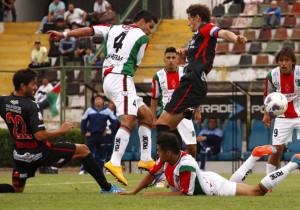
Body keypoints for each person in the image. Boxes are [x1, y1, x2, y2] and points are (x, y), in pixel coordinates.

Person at [47, 10, 158, 186]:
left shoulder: (112, 28)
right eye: (150, 26)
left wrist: (64, 34)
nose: (150, 31)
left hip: (108, 79)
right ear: (142, 21)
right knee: (128, 120)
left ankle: (146, 158)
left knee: (147, 116)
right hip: (121, 77)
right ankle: (114, 162)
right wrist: (123, 89)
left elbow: (89, 30)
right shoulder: (143, 38)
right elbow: (134, 66)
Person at [0, 68, 125, 193]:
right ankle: (107, 188)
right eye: (33, 84)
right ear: (23, 85)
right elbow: (40, 135)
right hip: (41, 153)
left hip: (20, 156)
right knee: (84, 150)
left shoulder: (4, 101)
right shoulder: (31, 105)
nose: (35, 87)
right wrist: (61, 130)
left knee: (16, 190)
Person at [155, 4, 247, 143]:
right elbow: (197, 59)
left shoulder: (206, 28)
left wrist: (235, 39)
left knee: (162, 126)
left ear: (197, 18)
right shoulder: (197, 37)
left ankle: (172, 161)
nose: (188, 23)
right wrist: (186, 54)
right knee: (168, 128)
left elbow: (223, 33)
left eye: (189, 19)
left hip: (192, 81)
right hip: (195, 82)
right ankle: (180, 160)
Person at [119, 132, 300, 196]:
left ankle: (293, 163)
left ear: (167, 152)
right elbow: (151, 173)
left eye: (158, 150)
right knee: (235, 183)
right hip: (207, 178)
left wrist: (153, 195)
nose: (156, 154)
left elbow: (185, 195)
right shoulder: (165, 159)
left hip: (215, 188)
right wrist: (134, 192)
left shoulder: (186, 164)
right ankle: (253, 156)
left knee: (258, 192)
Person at [150, 47, 198, 158]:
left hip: (184, 113)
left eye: (173, 57)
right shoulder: (158, 76)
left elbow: (194, 91)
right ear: (164, 59)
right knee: (165, 149)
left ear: (177, 60)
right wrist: (153, 118)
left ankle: (189, 171)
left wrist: (198, 111)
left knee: (192, 148)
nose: (171, 60)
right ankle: (164, 173)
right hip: (166, 115)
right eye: (168, 58)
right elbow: (154, 98)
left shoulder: (185, 72)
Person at [263, 47, 300, 182]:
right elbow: (268, 96)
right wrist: (266, 114)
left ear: (292, 62)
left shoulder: (299, 73)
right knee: (276, 150)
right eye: (281, 60)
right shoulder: (271, 75)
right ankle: (269, 180)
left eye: (287, 60)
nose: (283, 63)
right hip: (282, 117)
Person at [79, 95, 118, 175]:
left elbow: (115, 122)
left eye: (99, 99)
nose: (97, 101)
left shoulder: (107, 111)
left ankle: (100, 170)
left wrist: (107, 130)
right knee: (87, 153)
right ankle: (83, 170)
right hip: (91, 136)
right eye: (96, 99)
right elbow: (83, 122)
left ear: (103, 101)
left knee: (102, 154)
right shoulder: (89, 110)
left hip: (101, 136)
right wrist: (85, 132)